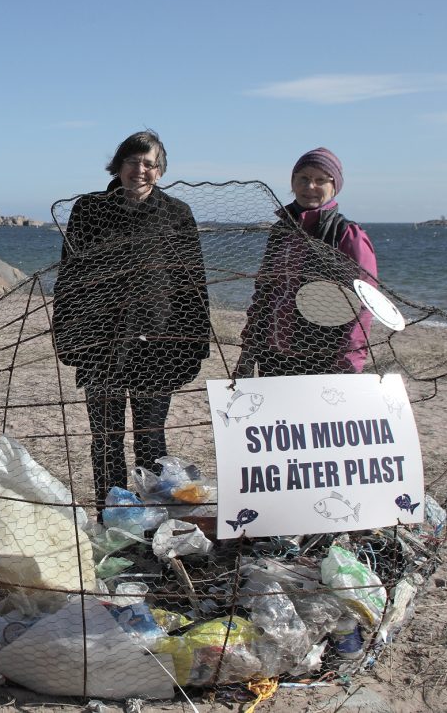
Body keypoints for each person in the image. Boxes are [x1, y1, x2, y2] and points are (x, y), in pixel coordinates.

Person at [51, 130, 211, 515]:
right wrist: (68, 334)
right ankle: (112, 515)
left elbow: (192, 282)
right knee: (105, 438)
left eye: (150, 164)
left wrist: (193, 342)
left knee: (151, 438)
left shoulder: (177, 213)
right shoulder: (90, 210)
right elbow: (70, 275)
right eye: (133, 162)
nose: (140, 170)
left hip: (158, 345)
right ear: (119, 165)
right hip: (100, 342)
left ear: (160, 170)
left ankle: (154, 517)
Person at [236, 147, 379, 377]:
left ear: (335, 187)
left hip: (321, 359)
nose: (309, 187)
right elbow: (264, 293)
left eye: (320, 180)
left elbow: (366, 303)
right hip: (272, 355)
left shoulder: (346, 234)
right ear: (292, 182)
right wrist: (249, 349)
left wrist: (348, 364)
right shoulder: (281, 230)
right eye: (303, 178)